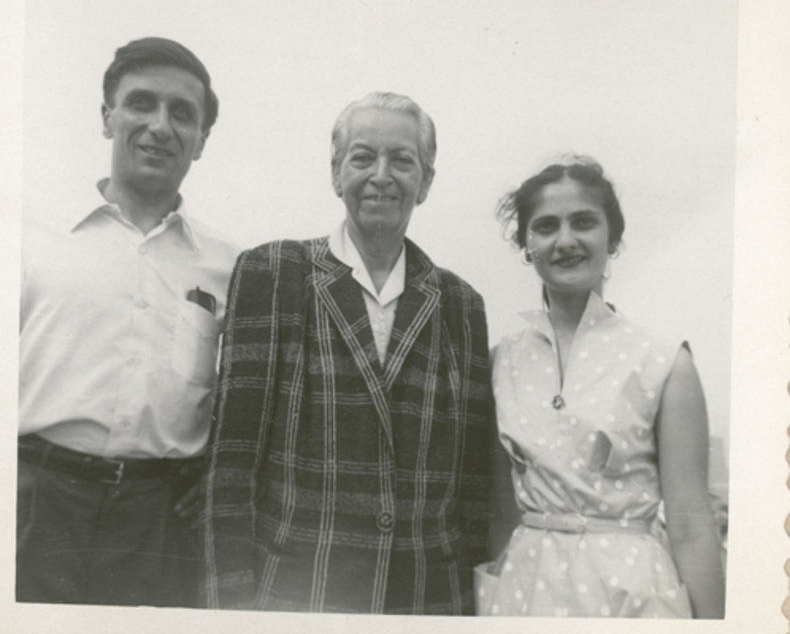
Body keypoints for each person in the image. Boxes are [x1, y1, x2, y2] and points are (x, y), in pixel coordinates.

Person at [203, 92, 491, 614]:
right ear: (337, 173)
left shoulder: (461, 304)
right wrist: (230, 611)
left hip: (424, 603)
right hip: (295, 599)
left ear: (425, 182)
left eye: (402, 160)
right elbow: (231, 467)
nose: (381, 174)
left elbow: (472, 490)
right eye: (363, 157)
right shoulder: (273, 273)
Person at [17, 37, 239, 607]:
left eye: (182, 113)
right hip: (33, 506)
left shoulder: (230, 268)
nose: (159, 126)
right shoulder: (27, 242)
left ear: (203, 141)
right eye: (141, 103)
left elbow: (239, 399)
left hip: (159, 524)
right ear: (107, 116)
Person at [477, 156, 725, 619]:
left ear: (613, 237)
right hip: (524, 592)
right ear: (526, 244)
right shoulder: (500, 361)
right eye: (546, 226)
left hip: (630, 594)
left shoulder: (665, 361)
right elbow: (501, 511)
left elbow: (691, 524)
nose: (565, 240)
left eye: (584, 222)